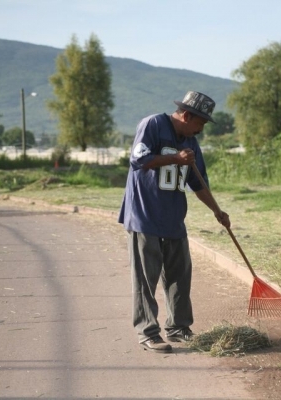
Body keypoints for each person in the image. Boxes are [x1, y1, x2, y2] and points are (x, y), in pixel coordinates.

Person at [118, 91, 231, 353]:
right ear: (186, 115)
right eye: (200, 123)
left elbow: (197, 181)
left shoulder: (191, 141)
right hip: (144, 215)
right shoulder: (153, 124)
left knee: (180, 276)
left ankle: (179, 328)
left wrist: (217, 210)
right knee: (146, 278)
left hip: (173, 218)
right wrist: (174, 158)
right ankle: (148, 332)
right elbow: (139, 160)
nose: (201, 129)